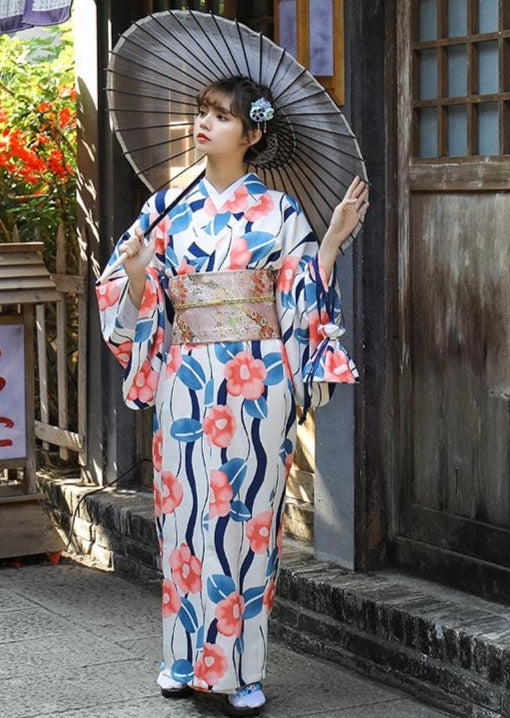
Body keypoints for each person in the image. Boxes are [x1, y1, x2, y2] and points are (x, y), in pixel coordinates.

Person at [96, 75, 369, 716]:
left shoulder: (279, 212)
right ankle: (180, 658)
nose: (205, 123)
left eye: (222, 116)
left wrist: (328, 241)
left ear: (253, 134)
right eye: (202, 112)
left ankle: (244, 669)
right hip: (185, 379)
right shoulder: (164, 205)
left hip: (256, 380)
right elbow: (126, 293)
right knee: (183, 517)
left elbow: (300, 291)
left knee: (249, 519)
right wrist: (136, 275)